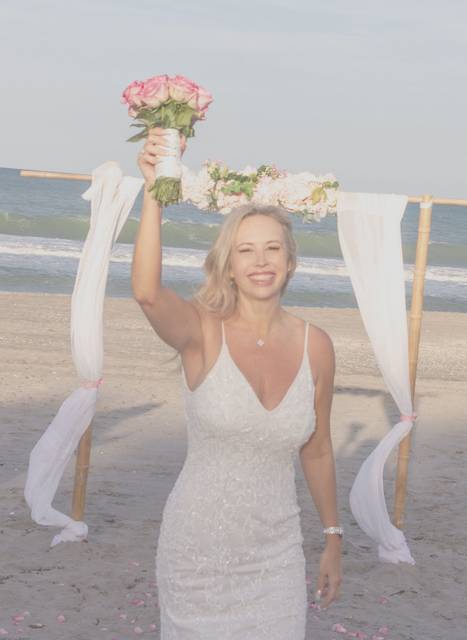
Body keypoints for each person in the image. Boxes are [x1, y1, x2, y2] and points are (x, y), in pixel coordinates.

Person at [131, 128, 342, 638]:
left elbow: (316, 450)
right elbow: (147, 293)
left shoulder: (317, 345)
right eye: (246, 251)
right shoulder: (202, 331)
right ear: (228, 266)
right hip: (197, 550)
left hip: (277, 553)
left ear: (290, 263)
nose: (261, 261)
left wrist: (333, 535)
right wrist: (153, 196)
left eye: (272, 249)